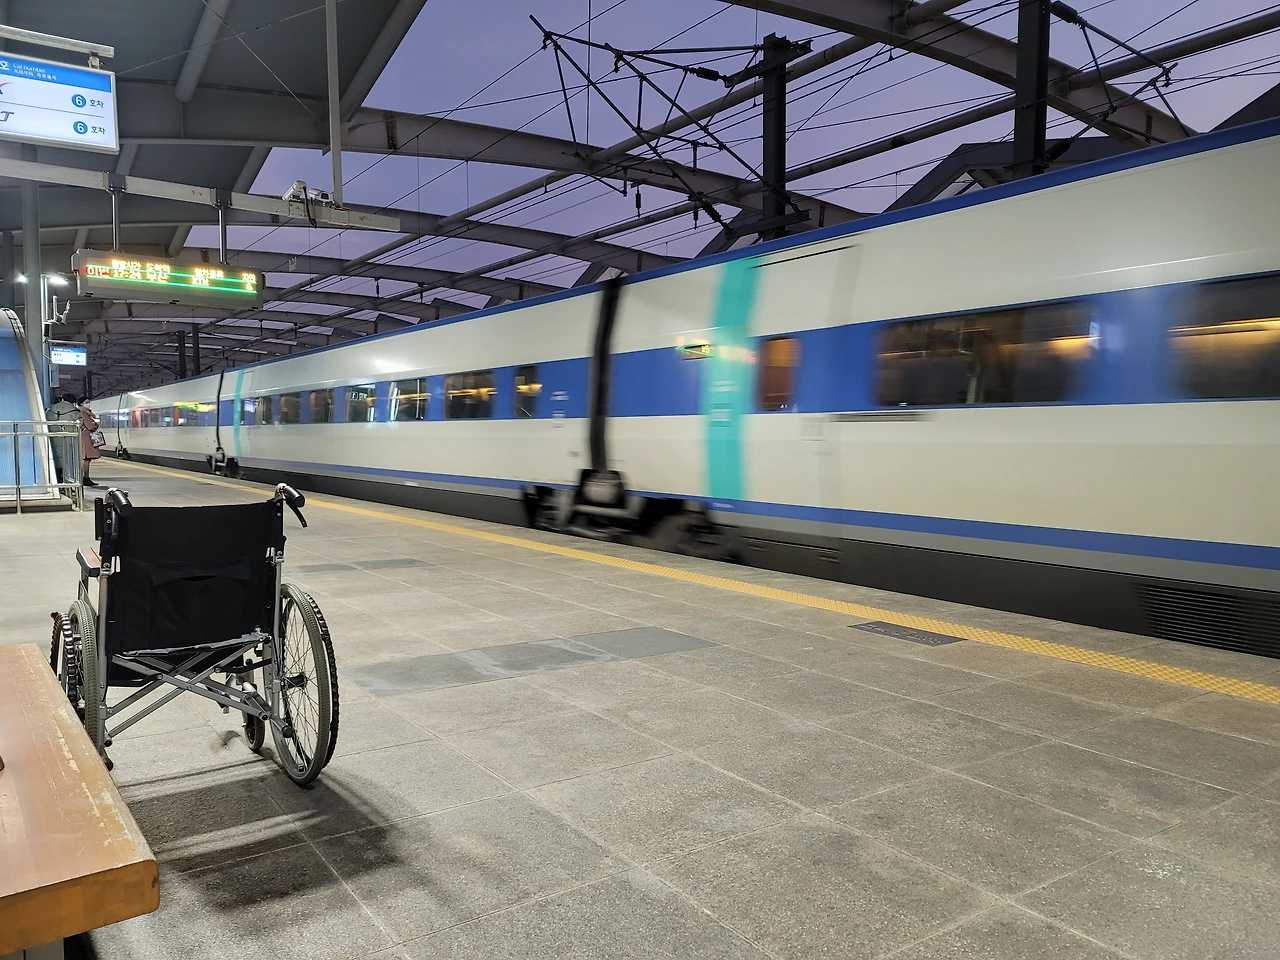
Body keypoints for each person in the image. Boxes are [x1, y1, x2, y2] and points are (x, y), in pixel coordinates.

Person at [45, 391, 80, 485]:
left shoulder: (50, 411)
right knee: (69, 462)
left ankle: (56, 481)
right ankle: (68, 484)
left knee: (54, 460)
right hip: (69, 440)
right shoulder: (75, 412)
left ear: (62, 399)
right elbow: (80, 426)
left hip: (52, 439)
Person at [78, 397, 101, 488]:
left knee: (87, 458)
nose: (88, 404)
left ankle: (86, 477)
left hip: (86, 436)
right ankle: (86, 478)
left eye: (89, 402)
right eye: (86, 402)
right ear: (81, 403)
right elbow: (90, 426)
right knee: (87, 458)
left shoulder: (85, 412)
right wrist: (95, 425)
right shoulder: (84, 413)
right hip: (87, 437)